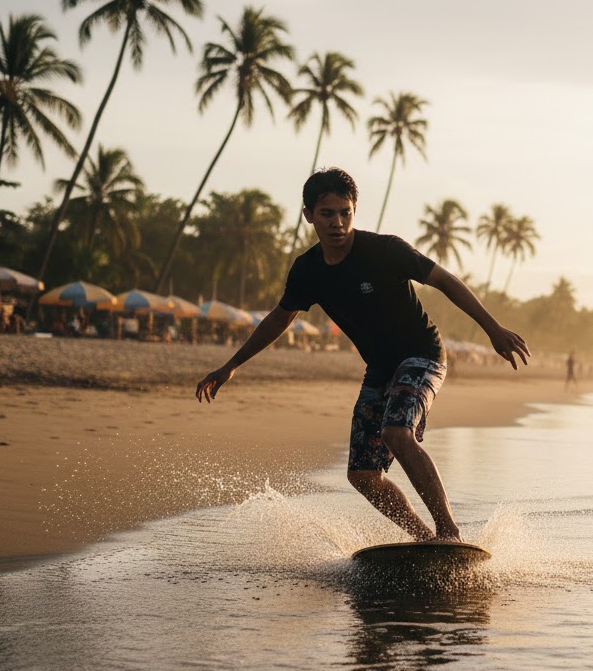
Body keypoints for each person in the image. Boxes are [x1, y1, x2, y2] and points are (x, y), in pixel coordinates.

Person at [196, 168, 530, 543]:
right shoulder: (308, 270)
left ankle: (448, 532)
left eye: (345, 213)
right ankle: (424, 540)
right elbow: (280, 318)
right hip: (380, 370)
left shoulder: (385, 251)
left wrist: (493, 329)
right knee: (363, 475)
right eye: (327, 214)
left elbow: (446, 281)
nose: (337, 223)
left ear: (354, 211)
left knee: (397, 432)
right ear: (308, 215)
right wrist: (231, 366)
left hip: (422, 355)